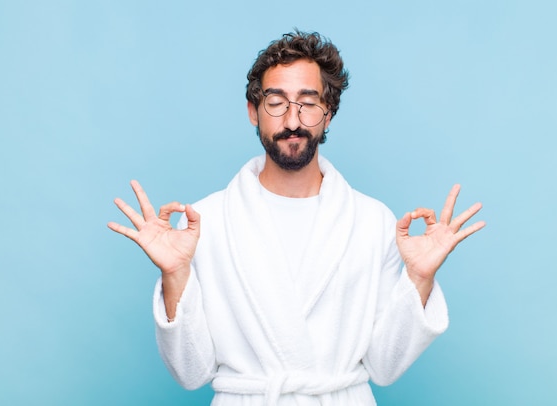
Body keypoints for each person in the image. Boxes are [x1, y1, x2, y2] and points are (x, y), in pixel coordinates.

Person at [108, 31, 485, 406]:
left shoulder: (371, 221)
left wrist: (419, 279)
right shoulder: (206, 221)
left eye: (308, 103)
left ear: (328, 115)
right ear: (253, 111)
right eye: (276, 102)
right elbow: (191, 374)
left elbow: (385, 367)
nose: (293, 119)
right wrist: (175, 275)